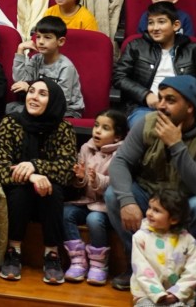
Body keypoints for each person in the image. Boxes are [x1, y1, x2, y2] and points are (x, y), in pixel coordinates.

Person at [106, 75, 196, 296]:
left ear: (190, 106)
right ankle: (136, 265)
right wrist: (127, 201)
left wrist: (176, 145)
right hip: (151, 195)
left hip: (186, 201)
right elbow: (120, 162)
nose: (161, 105)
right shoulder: (147, 122)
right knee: (114, 195)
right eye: (160, 98)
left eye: (170, 100)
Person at [0, 79, 77, 284]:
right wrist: (31, 175)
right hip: (16, 191)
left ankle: (52, 254)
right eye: (31, 91)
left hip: (49, 194)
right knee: (21, 190)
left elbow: (67, 170)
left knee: (52, 189)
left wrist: (35, 166)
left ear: (54, 100)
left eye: (42, 94)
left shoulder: (64, 127)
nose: (33, 97)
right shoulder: (10, 122)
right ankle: (13, 251)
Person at [63, 108, 127, 284]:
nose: (97, 130)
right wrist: (81, 177)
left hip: (107, 208)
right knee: (66, 213)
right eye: (96, 125)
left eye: (105, 128)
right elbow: (81, 185)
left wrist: (97, 179)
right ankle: (77, 260)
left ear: (117, 136)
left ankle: (99, 264)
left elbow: (116, 184)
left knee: (94, 219)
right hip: (87, 201)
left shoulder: (120, 154)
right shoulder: (86, 147)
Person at [130, 189, 196, 307]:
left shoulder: (189, 242)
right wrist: (159, 294)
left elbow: (192, 273)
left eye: (156, 210)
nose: (149, 213)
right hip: (146, 294)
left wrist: (176, 294)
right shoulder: (140, 238)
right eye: (149, 207)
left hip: (178, 297)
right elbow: (142, 270)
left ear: (173, 219)